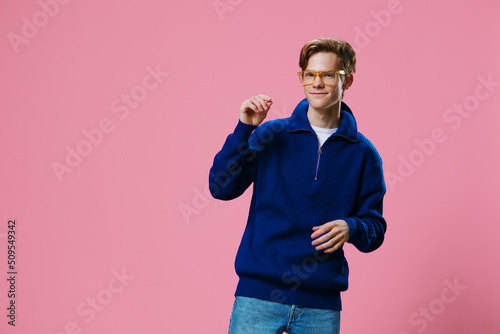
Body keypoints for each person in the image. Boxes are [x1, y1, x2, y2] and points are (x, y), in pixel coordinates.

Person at [209, 37, 387, 334]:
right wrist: (244, 128)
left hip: (320, 306)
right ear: (301, 77)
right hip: (257, 298)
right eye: (309, 74)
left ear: (348, 80)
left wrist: (352, 227)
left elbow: (375, 230)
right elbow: (221, 187)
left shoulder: (364, 153)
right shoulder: (271, 134)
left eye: (328, 75)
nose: (317, 83)